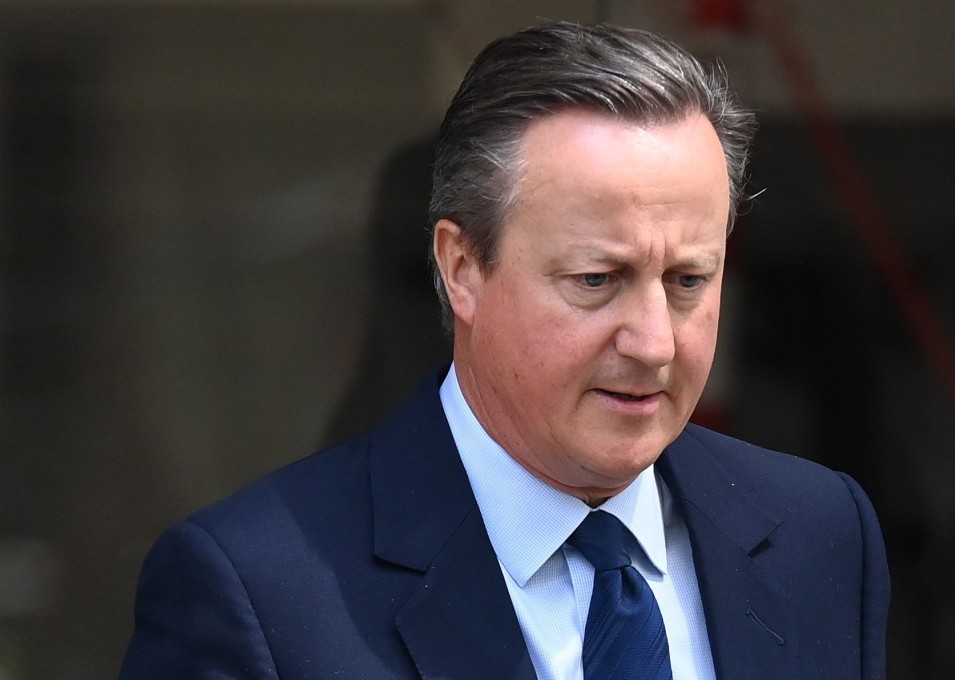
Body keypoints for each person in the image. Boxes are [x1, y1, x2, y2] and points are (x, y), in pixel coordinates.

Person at [121, 22, 890, 680]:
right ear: (462, 269)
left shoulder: (821, 534)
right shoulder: (258, 590)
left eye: (688, 280)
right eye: (597, 279)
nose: (655, 342)